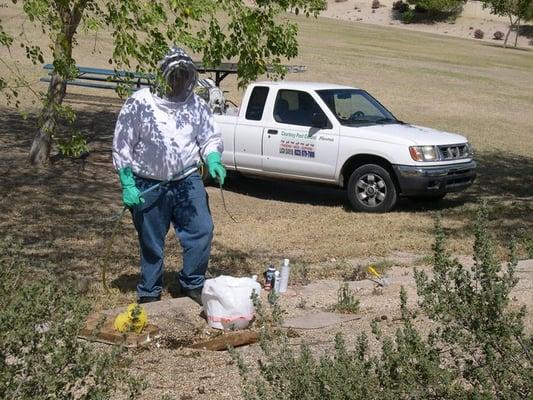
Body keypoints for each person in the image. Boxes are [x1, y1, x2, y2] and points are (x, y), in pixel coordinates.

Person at [112, 47, 226, 305]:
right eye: (174, 76)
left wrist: (214, 158)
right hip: (147, 183)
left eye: (183, 77)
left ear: (190, 78)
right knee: (151, 240)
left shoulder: (196, 106)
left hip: (187, 181)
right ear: (162, 76)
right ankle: (150, 291)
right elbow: (122, 144)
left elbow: (209, 137)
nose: (178, 82)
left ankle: (192, 282)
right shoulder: (140, 103)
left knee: (202, 230)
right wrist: (127, 183)